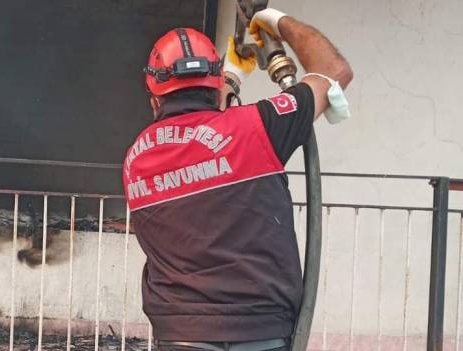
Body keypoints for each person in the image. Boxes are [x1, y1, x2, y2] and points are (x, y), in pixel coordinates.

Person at [122, 8, 352, 351]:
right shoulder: (260, 127)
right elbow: (334, 71)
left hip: (179, 335)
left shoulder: (137, 159)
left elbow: (198, 137)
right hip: (262, 334)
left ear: (154, 98)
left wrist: (231, 76)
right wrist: (276, 21)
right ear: (213, 85)